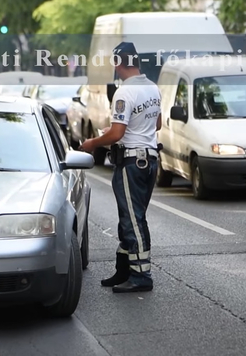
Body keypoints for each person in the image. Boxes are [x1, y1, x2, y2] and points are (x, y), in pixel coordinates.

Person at [79, 42, 161, 293]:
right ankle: (124, 269)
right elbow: (157, 124)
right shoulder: (152, 87)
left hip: (131, 164)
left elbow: (117, 133)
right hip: (150, 160)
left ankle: (140, 276)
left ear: (118, 63)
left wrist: (93, 142)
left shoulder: (124, 93)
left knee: (132, 221)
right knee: (132, 217)